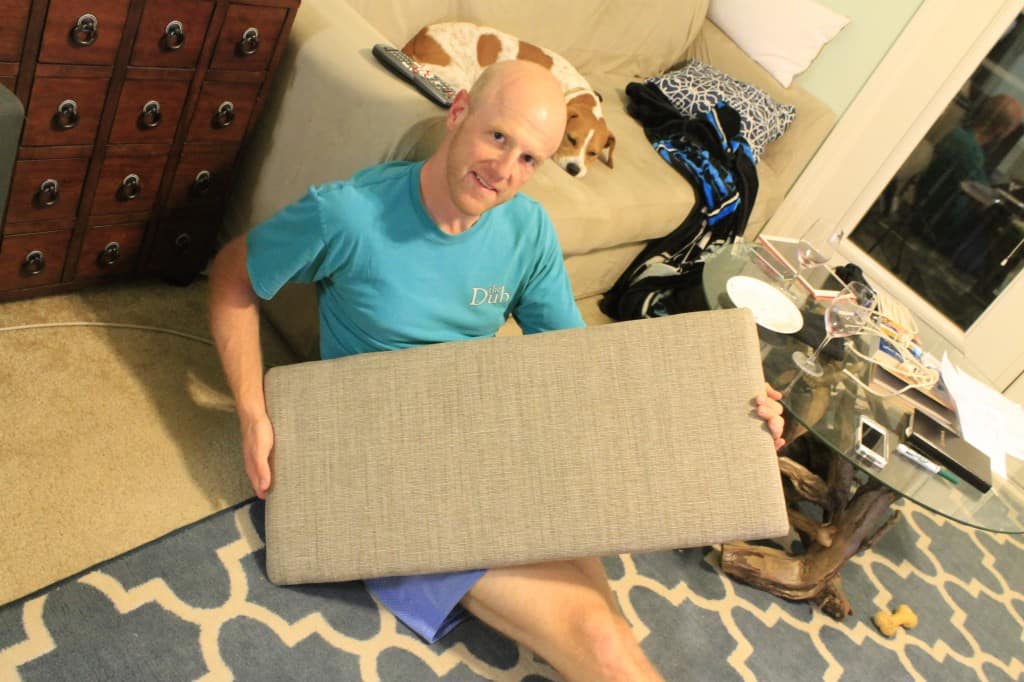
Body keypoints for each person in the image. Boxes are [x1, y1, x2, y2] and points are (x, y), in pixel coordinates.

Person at [209, 60, 786, 681]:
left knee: (609, 625)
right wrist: (252, 409)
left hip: (485, 449)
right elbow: (231, 274)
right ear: (458, 112)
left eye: (530, 158)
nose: (504, 172)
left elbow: (580, 366)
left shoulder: (526, 229)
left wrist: (726, 409)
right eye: (497, 137)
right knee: (600, 639)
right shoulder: (348, 214)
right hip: (383, 474)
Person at [914, 93, 1023, 253]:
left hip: (923, 210)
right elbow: (984, 198)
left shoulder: (957, 135)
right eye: (1011, 129)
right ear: (1001, 130)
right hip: (939, 227)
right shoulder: (970, 151)